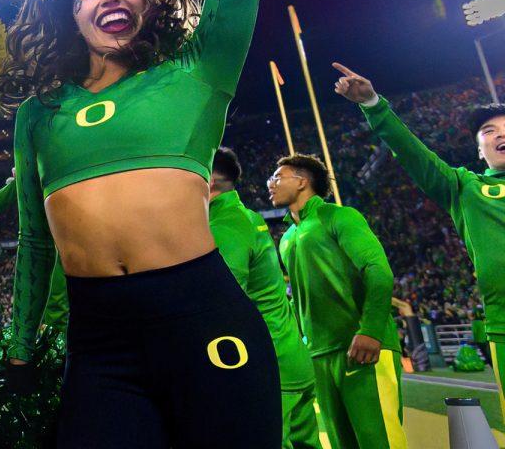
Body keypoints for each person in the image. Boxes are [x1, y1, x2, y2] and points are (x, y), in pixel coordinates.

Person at [0, 0, 314, 448]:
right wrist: (21, 347)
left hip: (201, 318)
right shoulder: (39, 113)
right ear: (70, 12)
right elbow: (33, 240)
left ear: (148, 1)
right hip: (99, 341)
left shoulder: (197, 72)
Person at [333, 62, 505, 412]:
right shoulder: (467, 187)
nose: (500, 134)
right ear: (478, 151)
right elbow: (415, 155)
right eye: (489, 131)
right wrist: (373, 105)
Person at [268, 153, 406, 449]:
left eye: (278, 177)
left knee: (379, 440)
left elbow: (378, 271)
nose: (270, 184)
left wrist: (370, 329)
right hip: (317, 354)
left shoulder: (339, 216)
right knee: (340, 443)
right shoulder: (287, 238)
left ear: (303, 181)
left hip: (363, 346)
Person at [209, 147, 320, 449]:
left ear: (208, 180)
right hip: (288, 357)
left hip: (268, 364)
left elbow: (219, 300)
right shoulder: (246, 217)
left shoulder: (225, 224)